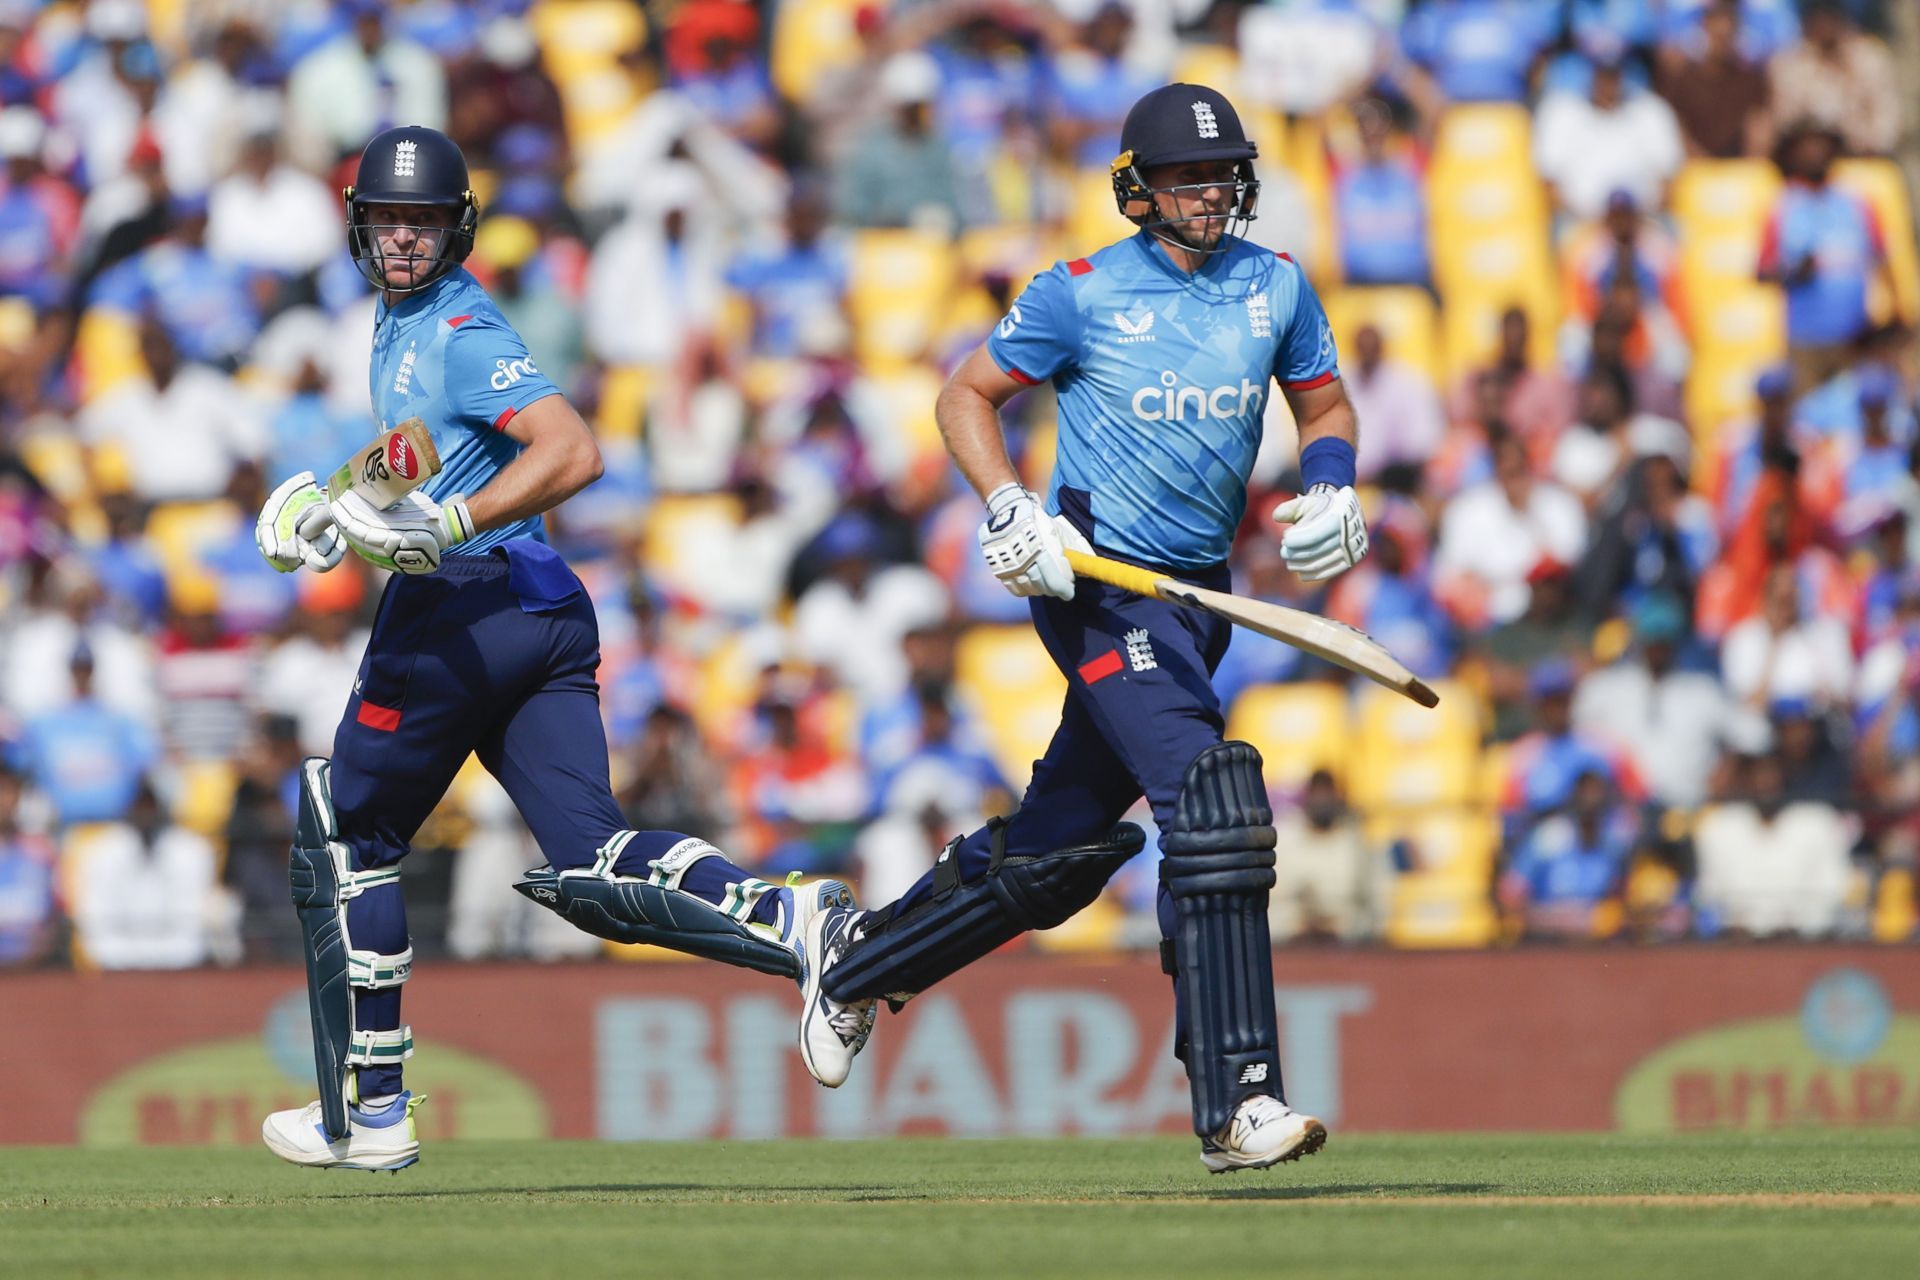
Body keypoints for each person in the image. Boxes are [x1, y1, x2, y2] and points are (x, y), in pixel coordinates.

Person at [252, 126, 855, 1173]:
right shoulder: (403, 324)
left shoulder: (463, 327)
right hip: (539, 607)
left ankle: (371, 1109)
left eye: (423, 221)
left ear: (459, 228)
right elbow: (427, 446)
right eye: (390, 219)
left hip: (461, 604)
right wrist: (336, 502)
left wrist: (447, 525)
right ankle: (791, 919)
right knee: (595, 855)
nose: (404, 239)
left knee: (348, 834)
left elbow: (572, 447)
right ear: (361, 225)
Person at [793, 84, 1366, 1173]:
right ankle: (1239, 1099)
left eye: (1222, 174)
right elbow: (966, 396)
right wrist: (1010, 505)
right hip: (1097, 585)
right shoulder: (1080, 293)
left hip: (1197, 602)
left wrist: (1333, 482)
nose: (1209, 192)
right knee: (1213, 805)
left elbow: (1324, 408)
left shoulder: (1276, 286)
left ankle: (860, 963)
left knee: (1058, 851)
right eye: (1187, 177)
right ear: (1137, 187)